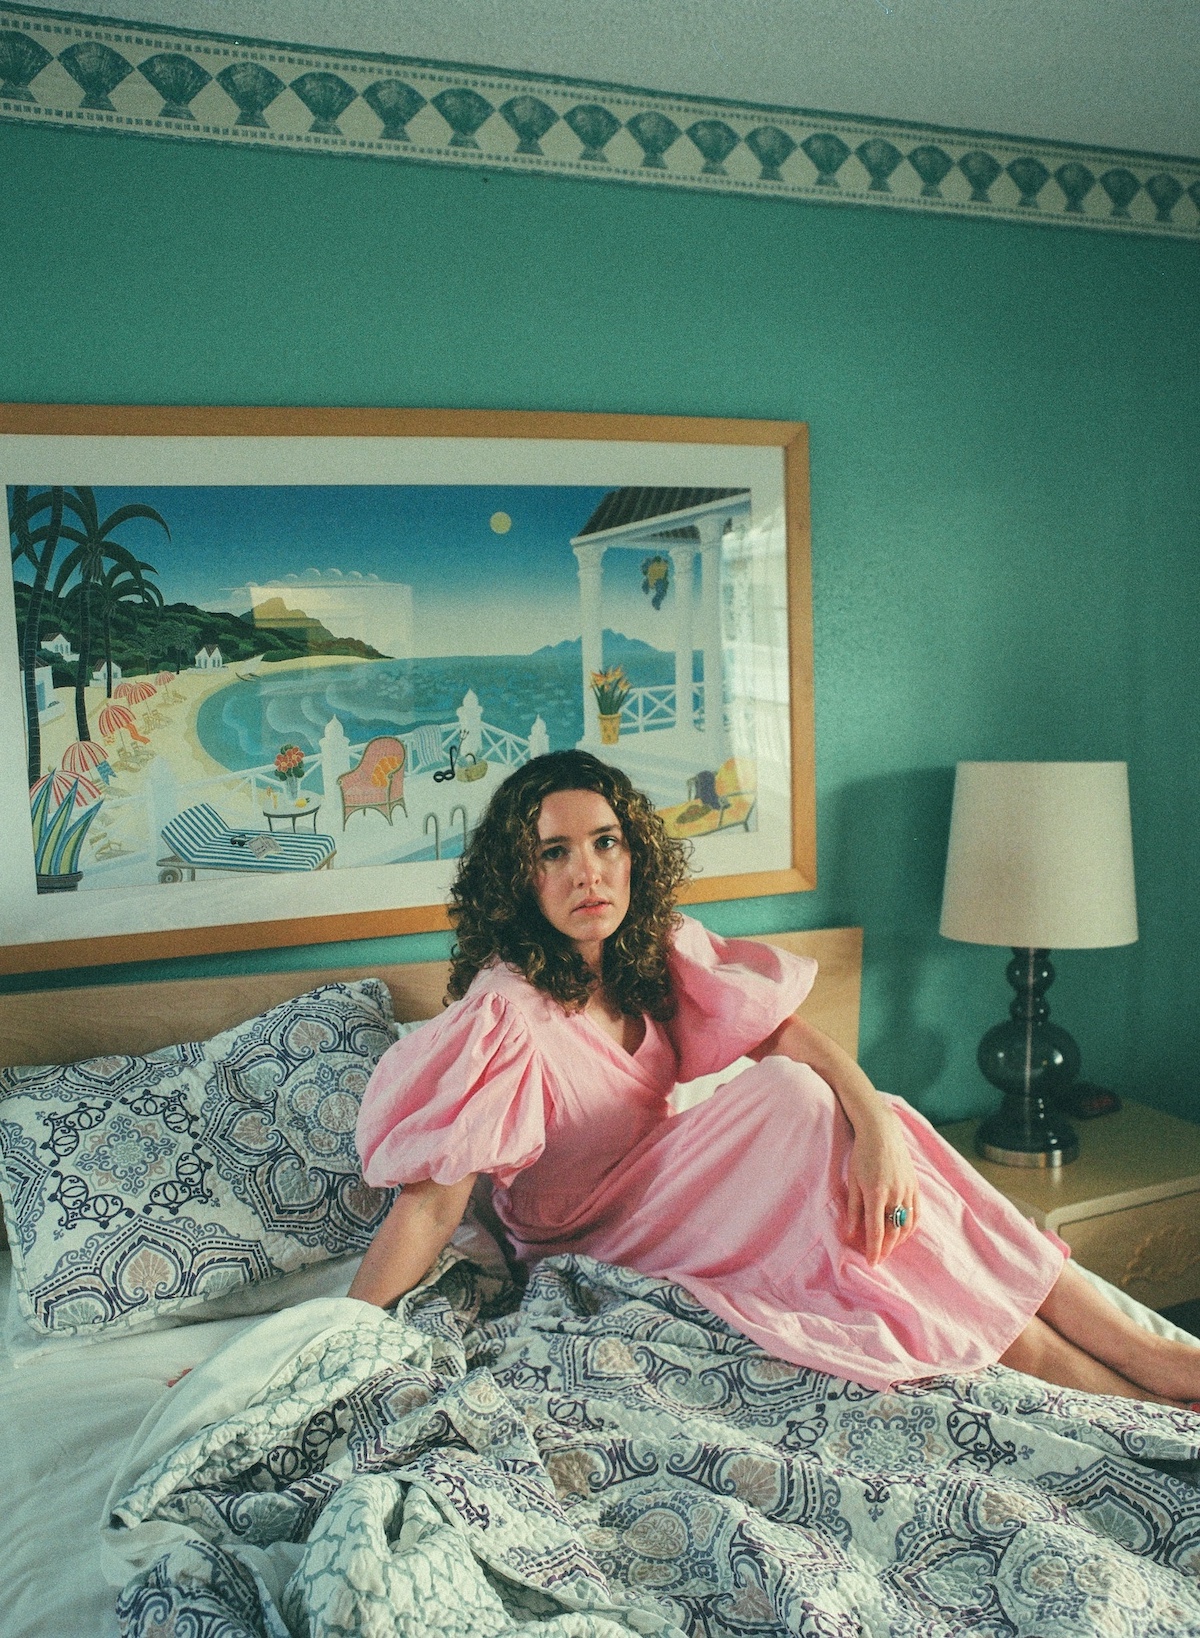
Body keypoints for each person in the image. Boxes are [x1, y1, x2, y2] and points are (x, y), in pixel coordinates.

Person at [351, 750, 1200, 1404]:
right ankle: (1131, 1382)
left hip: (678, 1199)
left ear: (632, 851)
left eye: (606, 842)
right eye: (554, 853)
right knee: (794, 1102)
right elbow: (430, 1207)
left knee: (858, 1132)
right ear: (519, 877)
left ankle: (1144, 1356)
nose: (589, 872)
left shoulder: (649, 951)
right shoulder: (505, 1011)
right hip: (594, 1242)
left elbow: (787, 1034)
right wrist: (340, 1341)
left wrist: (878, 1132)